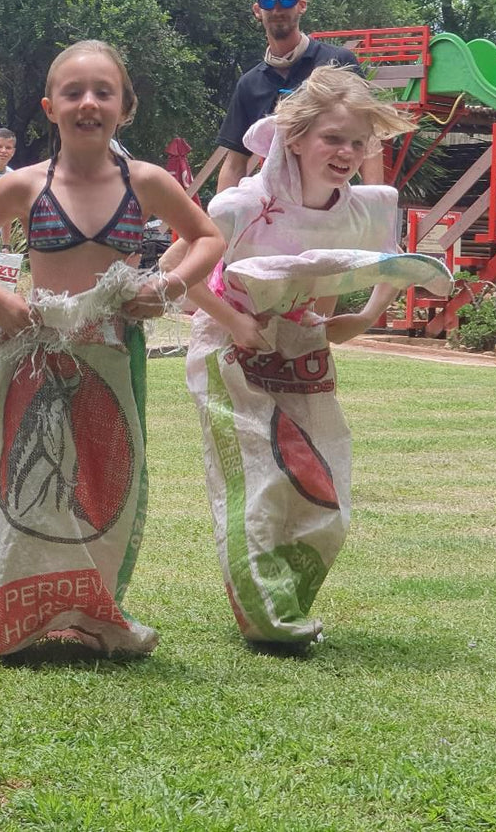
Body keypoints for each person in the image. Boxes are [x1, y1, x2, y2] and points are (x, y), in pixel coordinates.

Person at [0, 40, 224, 659]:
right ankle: (17, 609)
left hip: (111, 356)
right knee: (27, 480)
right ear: (50, 107)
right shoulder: (23, 185)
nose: (88, 103)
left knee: (100, 485)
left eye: (103, 92)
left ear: (126, 107)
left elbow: (207, 236)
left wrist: (164, 286)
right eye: (73, 92)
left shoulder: (146, 182)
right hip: (36, 357)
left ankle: (94, 607)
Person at [172, 64, 446, 647]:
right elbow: (176, 272)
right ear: (294, 138)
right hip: (229, 349)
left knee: (324, 487)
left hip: (303, 349)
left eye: (356, 141)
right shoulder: (243, 205)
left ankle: (286, 598)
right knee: (259, 481)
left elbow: (389, 262)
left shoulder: (363, 209)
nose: (347, 152)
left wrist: (364, 317)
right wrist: (235, 321)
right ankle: (267, 618)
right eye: (333, 138)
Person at [215, 0, 380, 192]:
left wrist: (376, 204)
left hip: (332, 206)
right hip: (276, 211)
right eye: (268, 2)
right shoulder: (249, 84)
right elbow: (235, 163)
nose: (277, 8)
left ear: (301, 5)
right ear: (257, 10)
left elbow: (369, 136)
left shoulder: (337, 62)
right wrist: (222, 220)